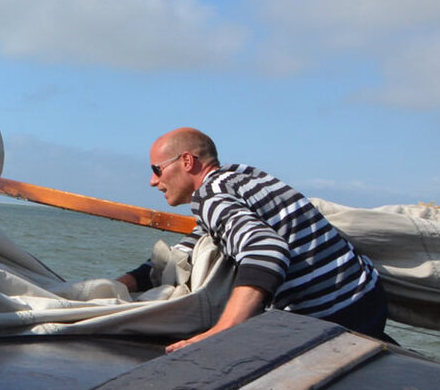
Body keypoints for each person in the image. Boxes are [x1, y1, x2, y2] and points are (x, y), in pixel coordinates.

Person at [120, 127, 389, 351]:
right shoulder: (239, 178)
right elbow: (188, 251)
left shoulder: (211, 197)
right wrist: (120, 285)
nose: (153, 182)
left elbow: (266, 251)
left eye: (157, 170)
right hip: (367, 296)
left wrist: (220, 333)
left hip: (331, 316)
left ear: (187, 162)